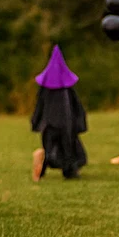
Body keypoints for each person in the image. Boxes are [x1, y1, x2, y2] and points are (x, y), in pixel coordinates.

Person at [31, 45, 87, 181]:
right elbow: (77, 107)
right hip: (65, 124)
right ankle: (69, 171)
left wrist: (35, 122)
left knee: (49, 149)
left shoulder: (44, 89)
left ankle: (43, 170)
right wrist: (80, 123)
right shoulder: (68, 90)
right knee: (67, 148)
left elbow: (39, 106)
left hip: (49, 124)